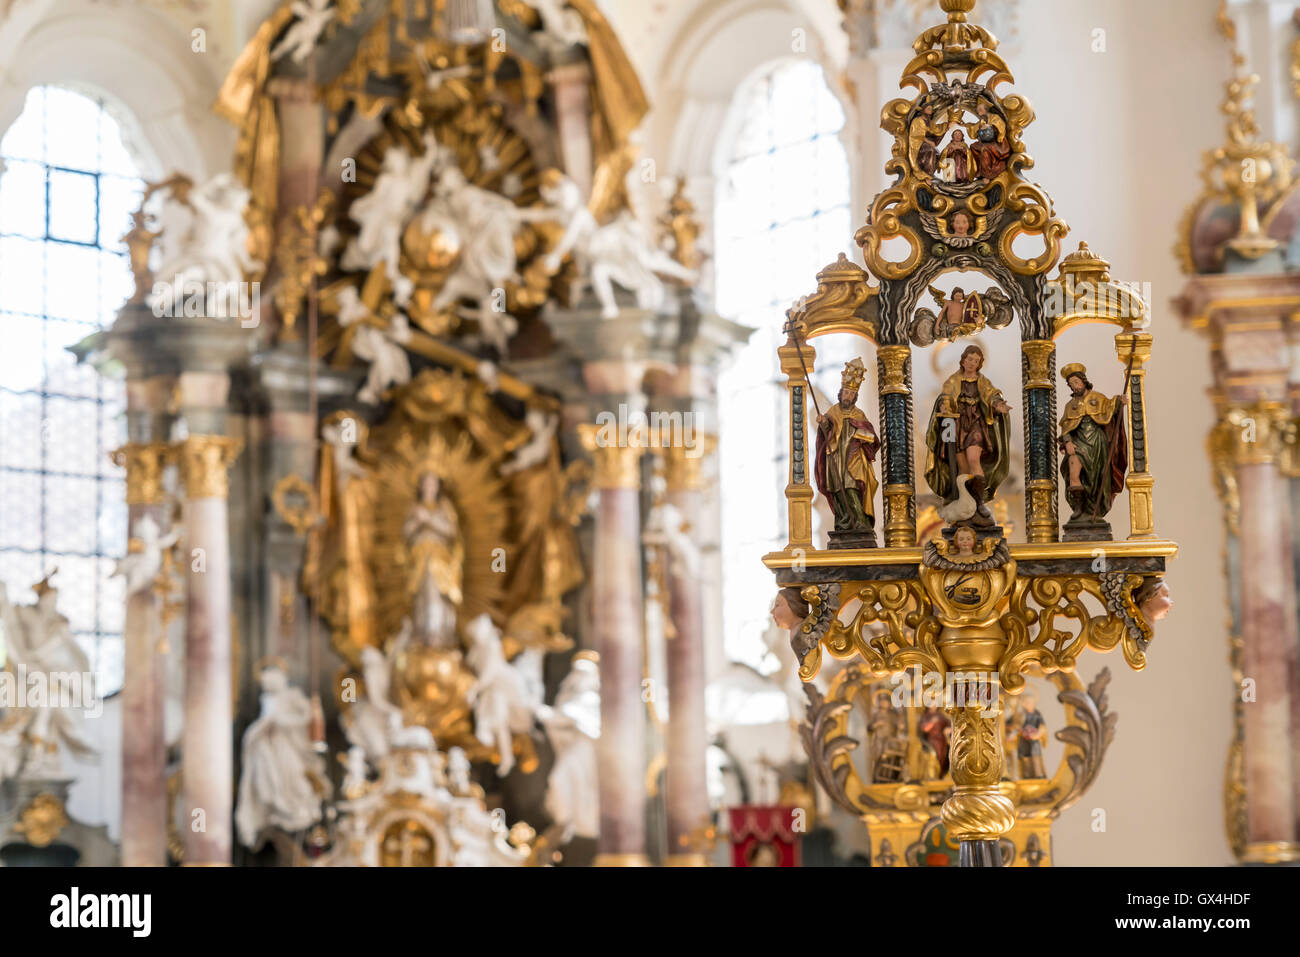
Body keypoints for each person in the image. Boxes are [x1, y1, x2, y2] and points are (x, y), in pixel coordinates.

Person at [924, 344, 1012, 526]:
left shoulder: (983, 381)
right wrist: (944, 405)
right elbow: (946, 397)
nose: (972, 363)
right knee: (962, 468)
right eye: (970, 359)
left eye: (976, 361)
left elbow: (992, 396)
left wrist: (998, 406)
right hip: (957, 425)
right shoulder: (953, 380)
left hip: (975, 425)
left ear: (980, 364)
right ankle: (967, 505)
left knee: (974, 461)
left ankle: (979, 504)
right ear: (963, 360)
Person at [814, 359, 880, 534]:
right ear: (840, 392)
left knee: (852, 489)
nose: (848, 396)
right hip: (835, 457)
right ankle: (843, 523)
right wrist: (823, 423)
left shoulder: (859, 414)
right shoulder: (833, 411)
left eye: (851, 393)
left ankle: (860, 523)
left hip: (853, 460)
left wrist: (860, 434)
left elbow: (871, 436)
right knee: (838, 491)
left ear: (855, 396)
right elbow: (827, 431)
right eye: (846, 392)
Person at [1058, 363, 1127, 526]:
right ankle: (1078, 510)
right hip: (1078, 443)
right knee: (1073, 472)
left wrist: (1119, 402)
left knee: (1096, 478)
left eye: (1076, 382)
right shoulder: (1070, 406)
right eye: (1071, 384)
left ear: (1083, 381)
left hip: (1097, 443)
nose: (1074, 386)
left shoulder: (1098, 397)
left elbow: (1110, 407)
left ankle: (1091, 510)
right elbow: (1066, 427)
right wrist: (1067, 441)